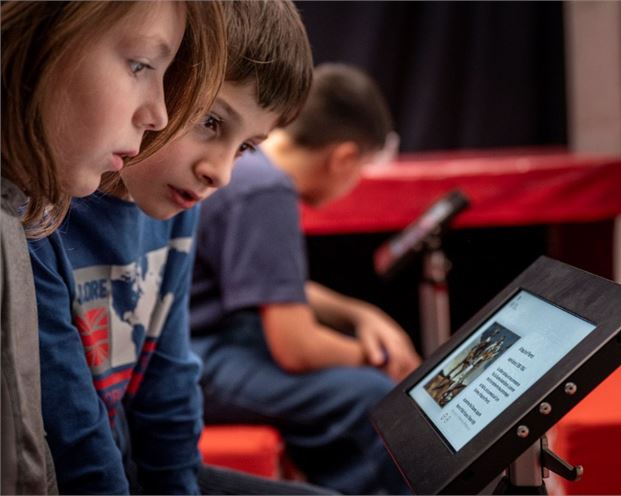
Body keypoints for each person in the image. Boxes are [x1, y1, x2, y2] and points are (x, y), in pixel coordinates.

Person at [29, 1, 326, 494]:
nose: (222, 172)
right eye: (210, 122)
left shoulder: (179, 209)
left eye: (247, 146)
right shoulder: (45, 215)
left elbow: (168, 388)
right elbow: (72, 435)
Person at [1, 2, 224, 494]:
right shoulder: (25, 224)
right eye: (141, 65)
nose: (160, 115)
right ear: (42, 33)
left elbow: (168, 395)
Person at [189, 63, 421, 495]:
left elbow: (268, 282)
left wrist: (358, 314)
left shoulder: (250, 165)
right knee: (371, 394)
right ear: (344, 157)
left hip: (203, 346)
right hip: (203, 359)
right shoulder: (267, 191)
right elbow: (296, 349)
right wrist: (384, 363)